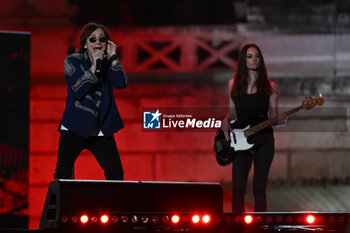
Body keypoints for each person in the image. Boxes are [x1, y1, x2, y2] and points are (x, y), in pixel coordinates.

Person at [53, 23, 128, 180]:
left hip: (100, 130)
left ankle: (116, 204)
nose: (98, 43)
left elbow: (121, 83)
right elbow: (78, 90)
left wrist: (114, 58)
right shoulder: (73, 61)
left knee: (116, 175)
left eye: (102, 39)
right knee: (63, 174)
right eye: (92, 39)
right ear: (85, 44)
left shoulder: (108, 64)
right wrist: (94, 67)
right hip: (75, 127)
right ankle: (63, 203)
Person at [221, 43, 285, 213]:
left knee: (259, 190)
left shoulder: (271, 87)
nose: (254, 59)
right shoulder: (233, 85)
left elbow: (274, 117)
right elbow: (232, 114)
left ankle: (260, 227)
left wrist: (280, 121)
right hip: (241, 141)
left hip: (264, 141)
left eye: (257, 56)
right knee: (238, 190)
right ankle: (237, 227)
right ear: (244, 60)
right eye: (249, 56)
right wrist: (225, 120)